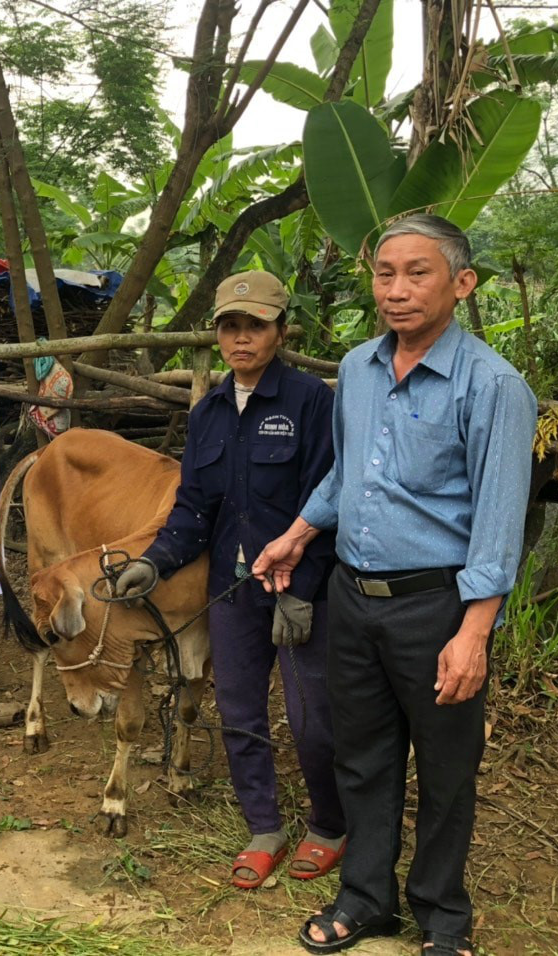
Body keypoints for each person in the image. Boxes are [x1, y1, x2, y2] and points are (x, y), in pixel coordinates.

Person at [252, 215, 537, 956]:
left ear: (461, 283)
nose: (398, 290)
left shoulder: (495, 386)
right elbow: (349, 475)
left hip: (437, 606)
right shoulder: (356, 369)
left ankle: (443, 916)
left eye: (419, 273)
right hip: (354, 598)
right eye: (385, 273)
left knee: (446, 768)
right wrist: (300, 531)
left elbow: (499, 523)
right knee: (363, 756)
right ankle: (366, 898)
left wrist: (474, 633)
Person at [115, 270, 346, 890]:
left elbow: (331, 498)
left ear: (280, 330)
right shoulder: (210, 411)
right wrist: (154, 563)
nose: (242, 338)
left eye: (256, 326)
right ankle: (264, 827)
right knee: (240, 711)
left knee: (311, 718)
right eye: (230, 327)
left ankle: (329, 825)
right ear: (218, 334)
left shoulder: (310, 402)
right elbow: (194, 508)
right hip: (234, 589)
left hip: (301, 589)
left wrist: (304, 587)